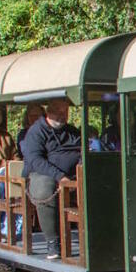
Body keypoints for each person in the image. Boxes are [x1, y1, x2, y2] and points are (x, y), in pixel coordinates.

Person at [22, 98, 82, 259]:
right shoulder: (36, 132)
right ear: (49, 112)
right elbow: (35, 160)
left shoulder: (72, 131)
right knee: (45, 188)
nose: (62, 115)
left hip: (72, 175)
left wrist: (81, 169)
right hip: (41, 174)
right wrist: (59, 176)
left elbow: (82, 151)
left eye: (65, 112)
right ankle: (52, 242)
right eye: (58, 112)